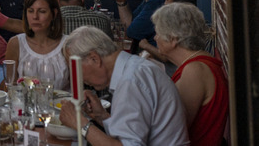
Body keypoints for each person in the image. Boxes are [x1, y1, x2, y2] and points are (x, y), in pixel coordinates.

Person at [59, 26, 190, 146]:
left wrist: (81, 124)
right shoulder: (134, 69)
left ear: (94, 58)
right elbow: (132, 132)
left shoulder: (130, 81)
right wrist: (101, 116)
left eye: (76, 68)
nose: (78, 78)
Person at [152, 3, 228, 146]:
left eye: (158, 32)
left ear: (173, 38)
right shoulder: (199, 64)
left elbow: (172, 129)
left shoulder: (195, 70)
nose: (155, 38)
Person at [5, 0, 69, 90]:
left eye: (42, 11)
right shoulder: (16, 44)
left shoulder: (68, 45)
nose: (35, 16)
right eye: (30, 11)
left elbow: (77, 89)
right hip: (25, 105)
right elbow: (10, 87)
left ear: (54, 13)